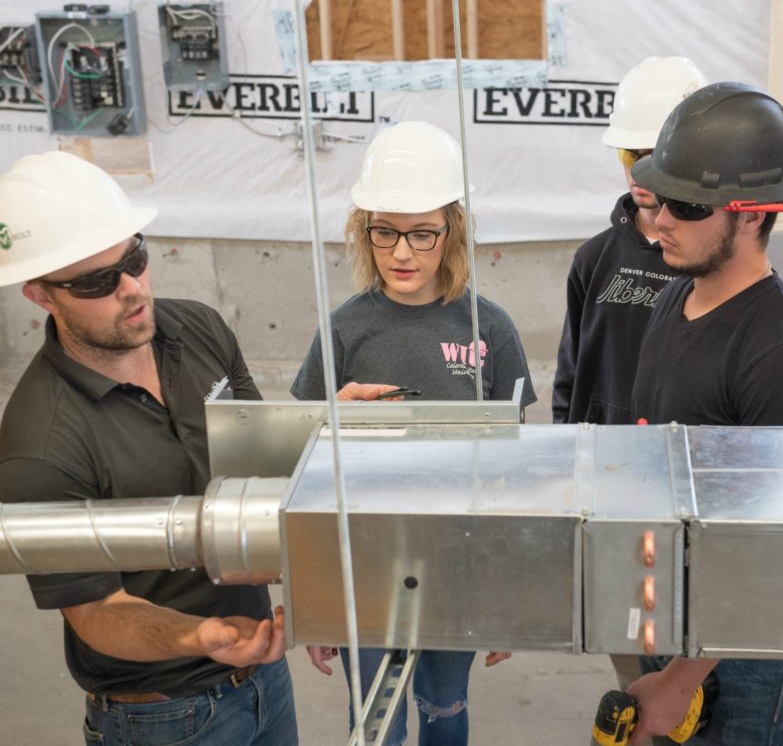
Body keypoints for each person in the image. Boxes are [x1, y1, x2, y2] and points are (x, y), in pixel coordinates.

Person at [0, 151, 297, 745]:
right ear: (40, 295)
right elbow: (96, 612)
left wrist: (334, 424)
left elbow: (262, 458)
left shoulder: (198, 328)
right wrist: (198, 635)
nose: (133, 288)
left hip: (265, 673)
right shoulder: (40, 445)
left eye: (134, 255)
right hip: (165, 714)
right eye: (95, 281)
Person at [290, 120, 536, 746]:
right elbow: (307, 474)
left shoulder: (493, 330)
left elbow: (514, 473)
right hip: (363, 566)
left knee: (444, 706)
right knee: (374, 720)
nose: (402, 252)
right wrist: (315, 593)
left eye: (423, 233)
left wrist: (504, 589)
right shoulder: (344, 331)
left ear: (453, 231)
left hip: (459, 556)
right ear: (362, 231)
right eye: (385, 231)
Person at [626, 83, 783, 744]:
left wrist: (679, 682)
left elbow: (773, 551)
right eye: (659, 197)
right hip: (682, 611)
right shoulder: (675, 299)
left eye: (687, 205)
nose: (659, 219)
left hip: (749, 651)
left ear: (753, 214)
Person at [552, 56, 706, 427]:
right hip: (598, 460)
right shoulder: (592, 258)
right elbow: (569, 377)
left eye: (653, 157)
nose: (638, 171)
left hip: (678, 456)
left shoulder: (707, 263)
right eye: (630, 155)